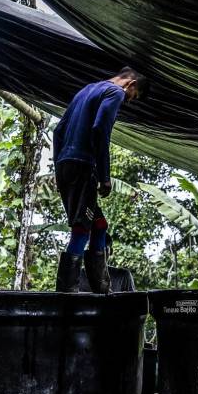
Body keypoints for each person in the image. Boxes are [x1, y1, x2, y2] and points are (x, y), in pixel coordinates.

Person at [53, 67, 150, 293]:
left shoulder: (86, 91)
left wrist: (59, 166)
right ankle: (67, 289)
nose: (127, 101)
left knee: (99, 225)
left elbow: (59, 131)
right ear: (131, 84)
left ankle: (100, 284)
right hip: (83, 165)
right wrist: (105, 176)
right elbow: (100, 130)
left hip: (66, 164)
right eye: (132, 98)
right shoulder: (114, 93)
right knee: (81, 228)